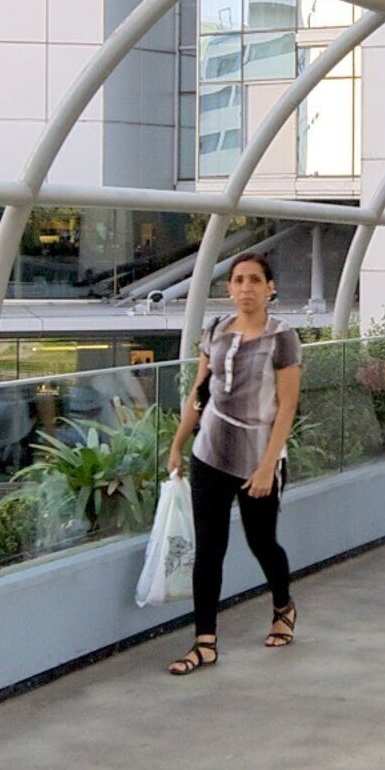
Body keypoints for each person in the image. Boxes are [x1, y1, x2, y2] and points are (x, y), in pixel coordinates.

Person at [160, 252, 301, 674]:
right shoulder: (216, 330)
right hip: (211, 453)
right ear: (229, 287)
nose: (246, 288)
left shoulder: (283, 337)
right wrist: (178, 443)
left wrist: (266, 466)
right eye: (238, 280)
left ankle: (283, 606)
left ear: (269, 288)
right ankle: (204, 642)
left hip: (258, 455)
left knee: (262, 542)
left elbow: (287, 407)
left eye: (255, 280)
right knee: (210, 551)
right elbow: (200, 393)